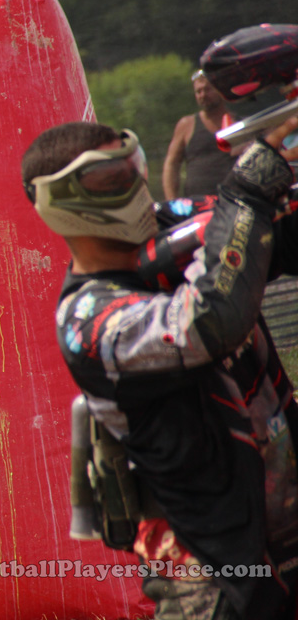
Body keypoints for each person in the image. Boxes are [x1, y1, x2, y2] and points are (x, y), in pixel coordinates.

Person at [20, 118, 298, 619]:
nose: (134, 188)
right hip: (213, 574)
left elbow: (272, 232)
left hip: (284, 533)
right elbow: (212, 319)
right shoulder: (88, 321)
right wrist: (247, 194)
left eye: (134, 168)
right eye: (112, 179)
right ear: (61, 203)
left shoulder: (173, 221)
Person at [162, 70, 238, 199]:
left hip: (233, 200)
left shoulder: (238, 123)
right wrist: (172, 202)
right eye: (198, 91)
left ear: (221, 90)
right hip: (197, 203)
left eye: (208, 89)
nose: (203, 95)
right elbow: (171, 164)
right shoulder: (186, 125)